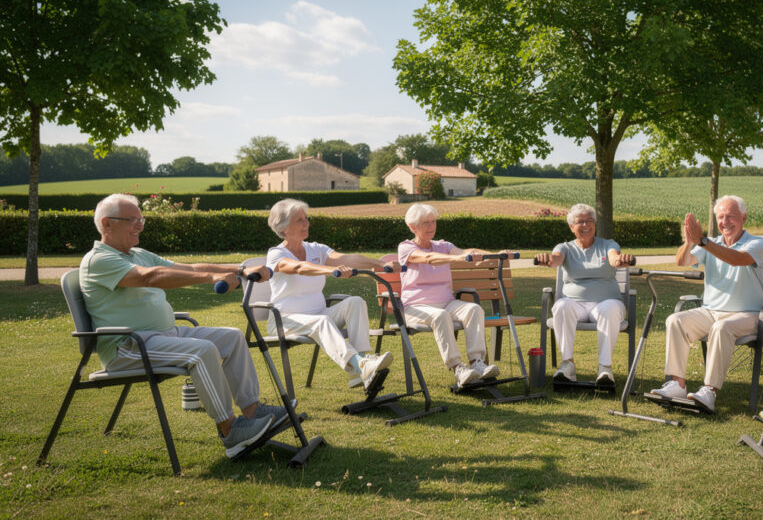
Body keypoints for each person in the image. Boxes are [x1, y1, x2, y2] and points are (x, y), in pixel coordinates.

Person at [79, 194, 283, 459]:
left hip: (162, 336)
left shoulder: (137, 254)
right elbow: (150, 277)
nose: (139, 226)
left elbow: (190, 267)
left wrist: (241, 268)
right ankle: (230, 431)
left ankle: (252, 412)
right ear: (107, 224)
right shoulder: (99, 260)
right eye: (131, 220)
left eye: (140, 219)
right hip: (128, 347)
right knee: (203, 351)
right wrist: (211, 277)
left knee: (232, 337)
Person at [651, 195, 763, 412]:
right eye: (721, 217)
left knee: (721, 327)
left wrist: (703, 241)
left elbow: (737, 259)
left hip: (749, 315)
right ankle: (677, 384)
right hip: (711, 311)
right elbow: (682, 261)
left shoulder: (757, 243)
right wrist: (689, 243)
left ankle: (709, 391)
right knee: (675, 320)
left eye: (731, 216)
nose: (725, 222)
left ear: (744, 217)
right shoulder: (709, 244)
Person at [265, 199, 393, 395]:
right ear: (283, 228)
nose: (306, 223)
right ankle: (362, 366)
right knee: (322, 321)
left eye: (306, 218)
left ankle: (361, 370)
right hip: (284, 320)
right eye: (299, 220)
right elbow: (299, 267)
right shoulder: (276, 254)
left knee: (355, 302)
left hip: (318, 314)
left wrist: (381, 265)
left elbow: (347, 258)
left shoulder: (315, 249)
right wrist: (330, 270)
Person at [398, 203, 509, 387]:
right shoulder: (405, 248)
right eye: (425, 223)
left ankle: (477, 363)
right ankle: (458, 368)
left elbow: (465, 252)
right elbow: (428, 258)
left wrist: (497, 255)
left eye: (433, 222)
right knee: (440, 316)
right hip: (415, 307)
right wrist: (456, 258)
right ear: (412, 227)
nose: (431, 227)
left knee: (473, 309)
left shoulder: (443, 245)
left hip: (446, 303)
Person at [534, 203, 635, 385]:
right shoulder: (565, 247)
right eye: (580, 222)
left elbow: (613, 258)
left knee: (609, 309)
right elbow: (557, 258)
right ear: (572, 227)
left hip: (607, 302)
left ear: (595, 224)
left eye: (590, 221)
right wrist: (548, 260)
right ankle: (568, 365)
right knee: (561, 306)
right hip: (575, 305)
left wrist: (619, 260)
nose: (586, 225)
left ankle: (605, 369)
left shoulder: (609, 245)